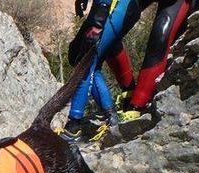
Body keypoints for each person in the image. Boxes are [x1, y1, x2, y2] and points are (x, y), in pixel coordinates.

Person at [63, 0, 192, 141]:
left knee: (160, 33)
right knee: (81, 56)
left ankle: (135, 106)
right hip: (122, 6)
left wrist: (99, 19)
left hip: (125, 6)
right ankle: (113, 113)